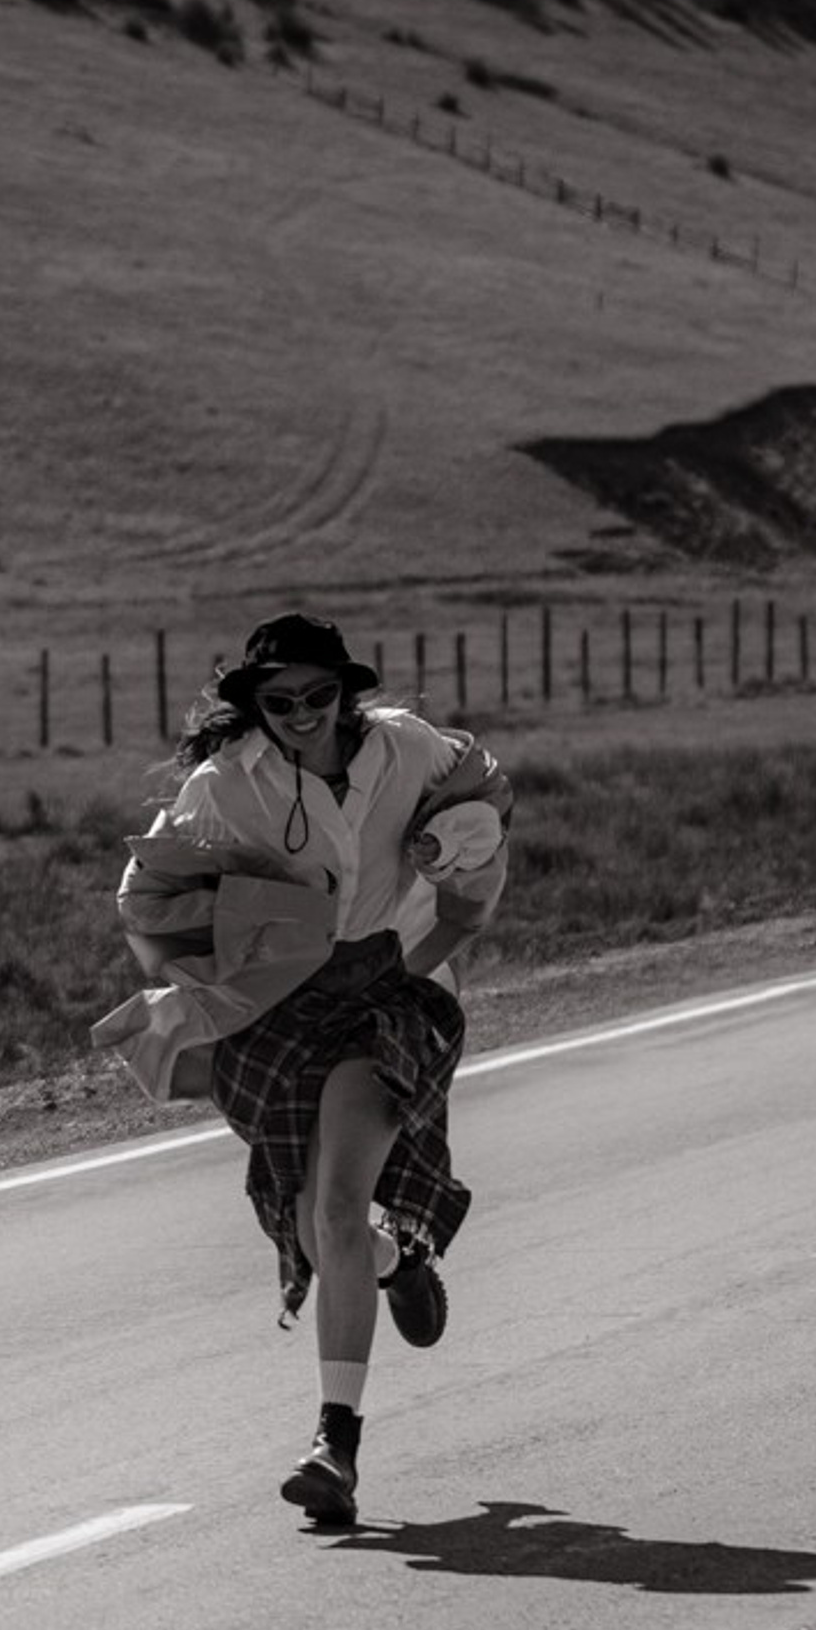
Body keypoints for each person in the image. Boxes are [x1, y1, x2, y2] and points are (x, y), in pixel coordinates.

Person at [107, 611, 512, 1529]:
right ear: (255, 703)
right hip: (279, 1014)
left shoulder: (408, 750)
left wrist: (451, 910)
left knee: (333, 1203)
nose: (301, 713)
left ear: (347, 694)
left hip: (388, 997)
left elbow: (486, 803)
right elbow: (148, 894)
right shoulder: (221, 788)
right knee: (313, 1222)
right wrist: (199, 982)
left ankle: (336, 1445)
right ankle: (396, 1255)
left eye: (318, 695)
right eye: (279, 699)